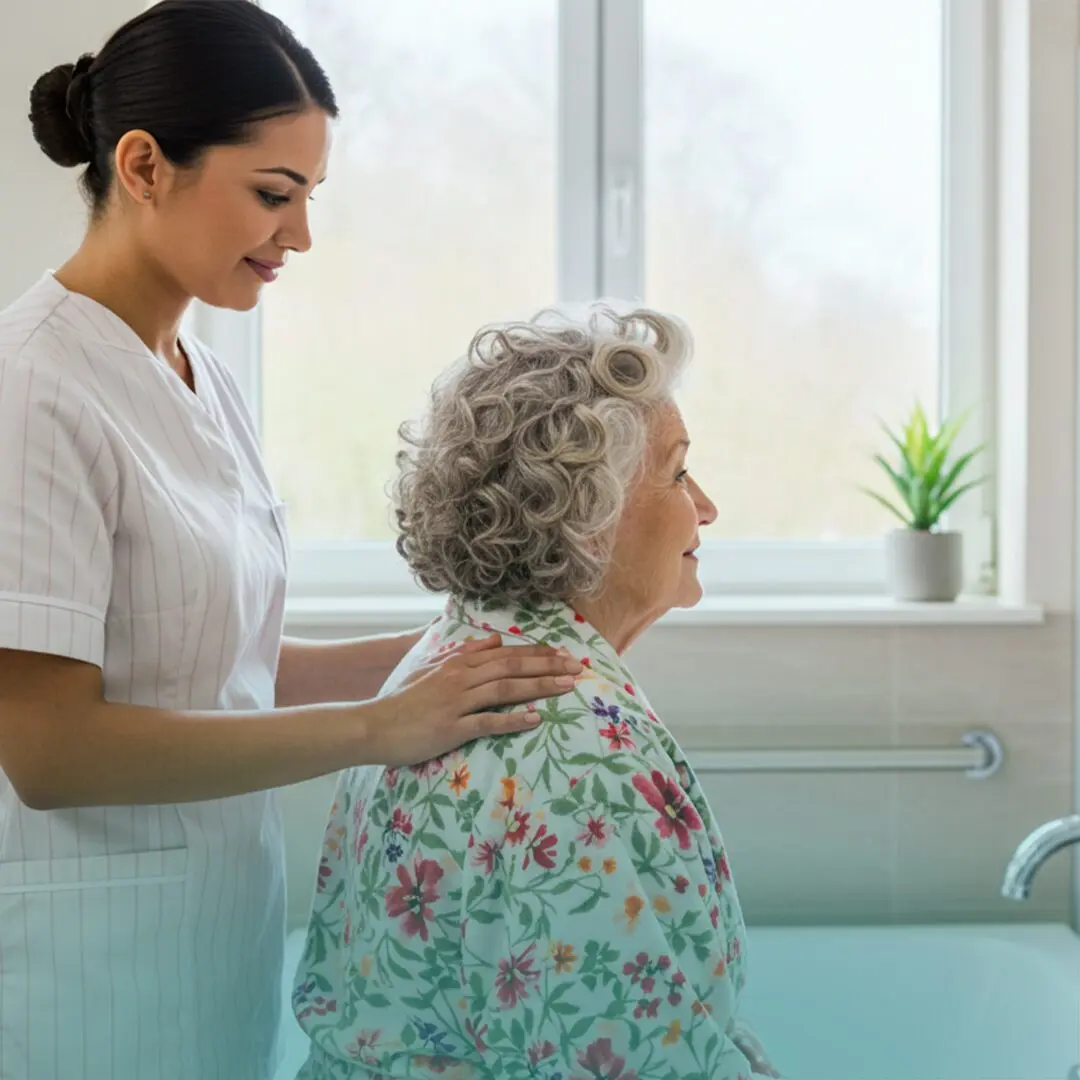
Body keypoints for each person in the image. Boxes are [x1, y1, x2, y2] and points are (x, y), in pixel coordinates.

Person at [0, 3, 580, 1078]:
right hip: (81, 979)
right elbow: (48, 749)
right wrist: (377, 727)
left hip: (214, 949)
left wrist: (451, 657)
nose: (300, 236)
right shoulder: (32, 387)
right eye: (273, 194)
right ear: (142, 165)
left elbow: (223, 667)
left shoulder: (196, 371)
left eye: (309, 198)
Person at [293, 304, 780, 1079]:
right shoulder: (576, 761)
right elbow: (621, 1058)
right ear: (590, 518)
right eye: (680, 472)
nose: (707, 506)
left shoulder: (451, 653)